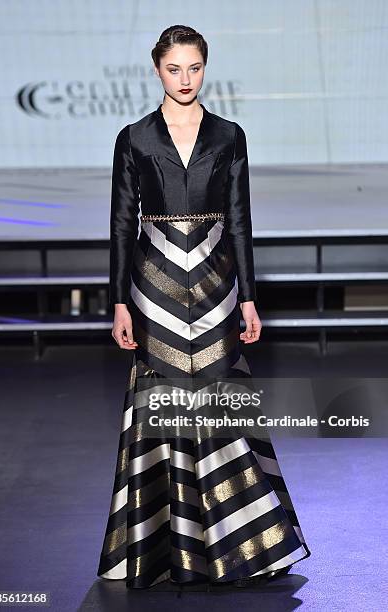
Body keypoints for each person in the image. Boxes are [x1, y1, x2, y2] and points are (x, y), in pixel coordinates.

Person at [97, 25, 310, 589]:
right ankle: (160, 549)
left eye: (194, 68)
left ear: (205, 69)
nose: (185, 79)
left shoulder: (229, 135)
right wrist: (118, 301)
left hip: (217, 284)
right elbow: (121, 225)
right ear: (157, 70)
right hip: (153, 285)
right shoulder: (135, 138)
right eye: (174, 69)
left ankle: (244, 544)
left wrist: (251, 297)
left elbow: (240, 219)